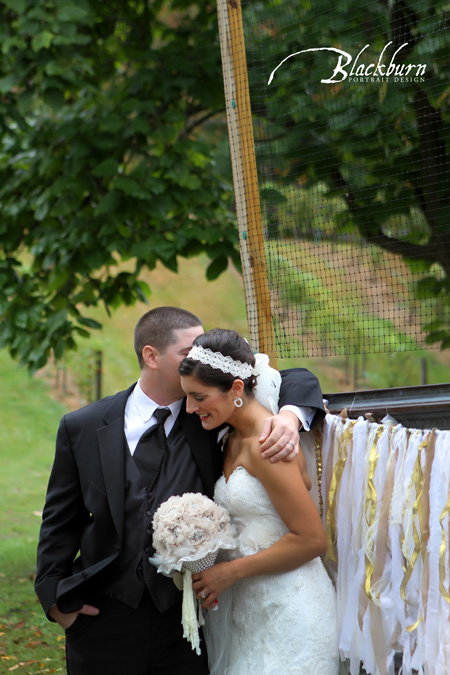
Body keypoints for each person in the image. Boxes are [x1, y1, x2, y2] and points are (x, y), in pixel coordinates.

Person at [35, 306, 326, 675]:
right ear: (151, 356)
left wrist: (289, 416)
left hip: (187, 621)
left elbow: (290, 378)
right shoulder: (83, 426)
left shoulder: (210, 413)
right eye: (190, 352)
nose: (202, 355)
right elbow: (59, 520)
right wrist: (56, 602)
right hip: (102, 618)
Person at [179, 328, 339, 674]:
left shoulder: (268, 444)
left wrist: (230, 571)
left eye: (199, 397)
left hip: (291, 611)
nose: (190, 408)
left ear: (237, 389)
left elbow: (313, 541)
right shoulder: (230, 438)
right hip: (251, 613)